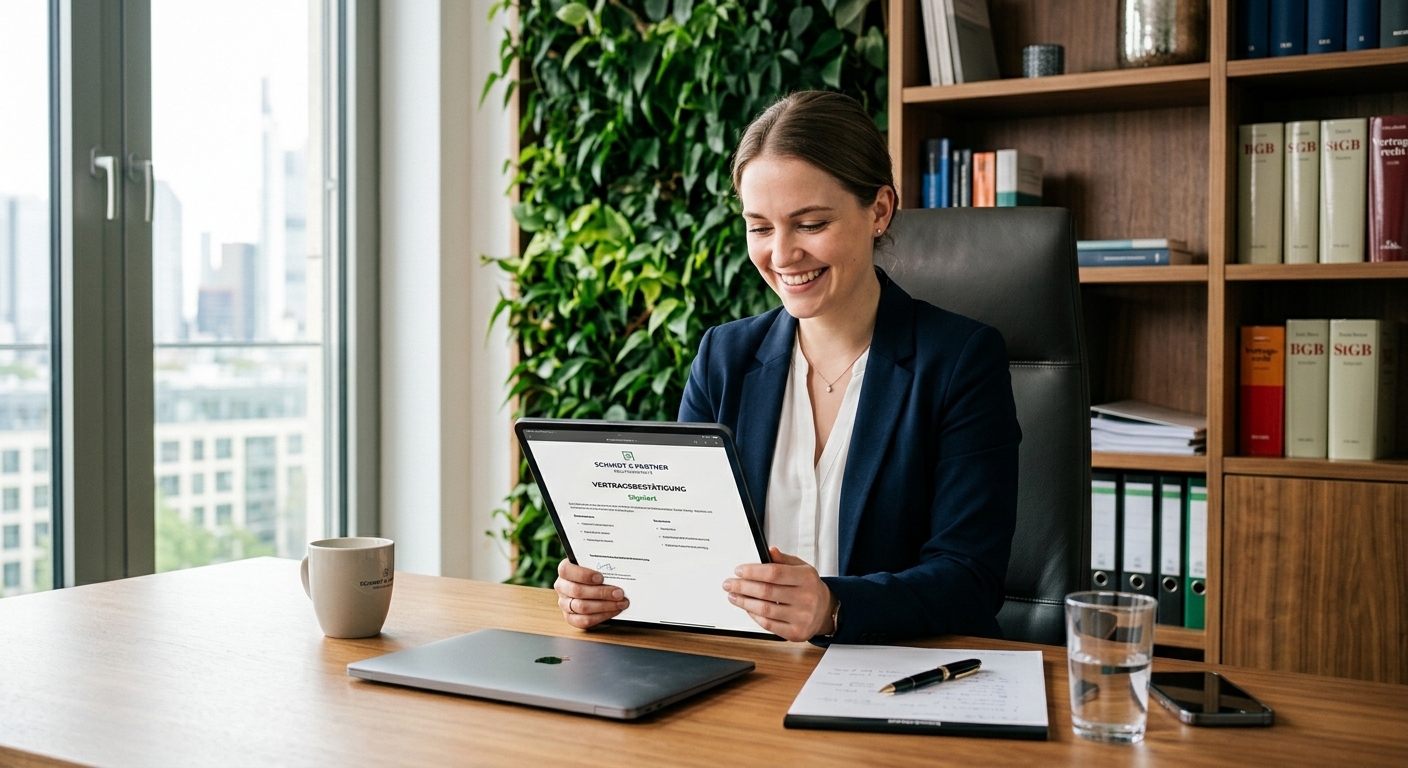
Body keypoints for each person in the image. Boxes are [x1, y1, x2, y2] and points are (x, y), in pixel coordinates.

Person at [554, 91, 1021, 643]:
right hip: (745, 676)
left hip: (893, 676)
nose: (781, 255)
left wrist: (836, 608)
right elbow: (679, 543)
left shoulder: (960, 360)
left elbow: (971, 578)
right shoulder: (723, 359)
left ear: (878, 210)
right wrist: (613, 587)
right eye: (760, 227)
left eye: (810, 223)